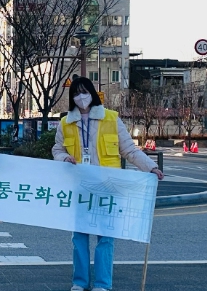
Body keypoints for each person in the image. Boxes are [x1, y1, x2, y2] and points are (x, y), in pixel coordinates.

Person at [52, 77, 164, 291]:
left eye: (85, 92)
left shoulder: (111, 118)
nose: (81, 97)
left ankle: (103, 284)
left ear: (92, 94)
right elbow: (58, 149)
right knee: (79, 237)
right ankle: (79, 282)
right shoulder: (66, 123)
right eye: (76, 93)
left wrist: (151, 167)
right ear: (72, 97)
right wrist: (63, 157)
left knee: (105, 237)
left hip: (108, 188)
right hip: (80, 188)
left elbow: (129, 150)